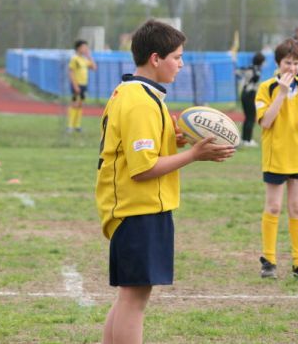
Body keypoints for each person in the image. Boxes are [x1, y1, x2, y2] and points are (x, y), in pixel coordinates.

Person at [95, 19, 235, 344]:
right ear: (156, 58)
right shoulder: (140, 102)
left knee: (130, 296)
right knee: (134, 299)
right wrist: (195, 155)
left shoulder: (140, 94)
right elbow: (142, 168)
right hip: (137, 209)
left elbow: (142, 148)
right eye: (176, 56)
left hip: (141, 208)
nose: (181, 64)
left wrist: (175, 141)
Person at [255, 38, 298, 279]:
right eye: (287, 62)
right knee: (274, 206)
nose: (292, 68)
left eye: (296, 63)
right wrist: (282, 94)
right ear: (278, 62)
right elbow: (266, 121)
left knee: (297, 208)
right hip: (276, 156)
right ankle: (269, 261)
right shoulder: (267, 88)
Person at [67, 39, 97, 132]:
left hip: (84, 85)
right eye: (84, 47)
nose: (86, 49)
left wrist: (89, 56)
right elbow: (71, 72)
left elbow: (94, 67)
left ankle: (77, 126)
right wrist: (75, 85)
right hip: (77, 84)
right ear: (78, 48)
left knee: (80, 104)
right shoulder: (74, 59)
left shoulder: (84, 59)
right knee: (74, 104)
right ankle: (70, 126)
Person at [237, 52, 265, 147]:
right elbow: (255, 79)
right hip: (250, 94)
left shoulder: (248, 67)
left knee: (247, 117)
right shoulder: (256, 69)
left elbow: (238, 72)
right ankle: (248, 140)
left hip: (244, 93)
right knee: (251, 117)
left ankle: (244, 139)